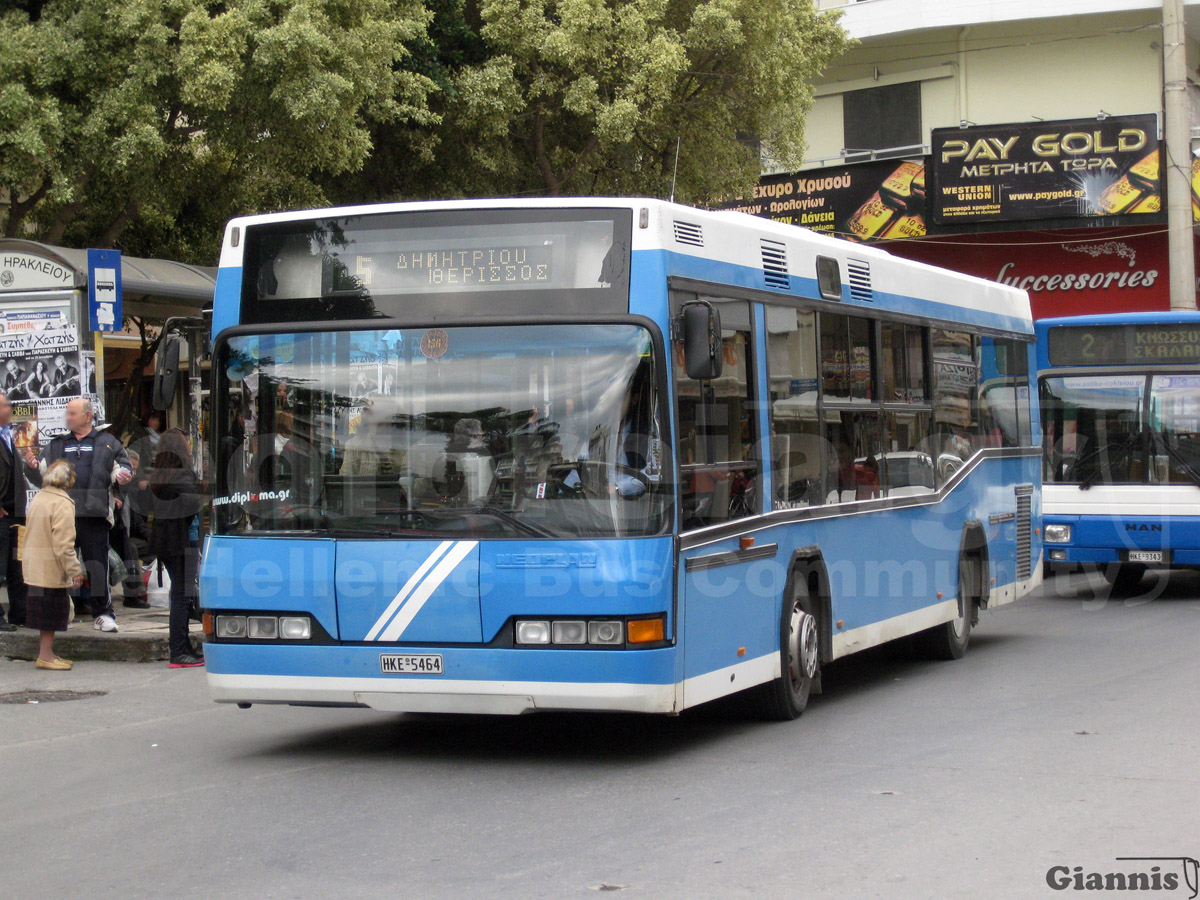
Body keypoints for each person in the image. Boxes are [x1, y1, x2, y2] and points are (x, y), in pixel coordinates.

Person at [24, 398, 132, 633]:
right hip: (62, 514)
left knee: (97, 565)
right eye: (67, 413)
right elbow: (42, 476)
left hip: (94, 515)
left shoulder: (107, 442)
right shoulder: (57, 444)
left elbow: (123, 468)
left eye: (73, 413)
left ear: (88, 416)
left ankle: (103, 614)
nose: (68, 417)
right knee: (59, 566)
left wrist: (124, 475)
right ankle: (62, 614)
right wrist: (31, 467)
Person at [148, 429, 204, 668]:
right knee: (182, 596)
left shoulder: (160, 476)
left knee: (179, 595)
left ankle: (184, 647)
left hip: (166, 541)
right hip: (183, 541)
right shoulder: (183, 476)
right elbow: (193, 504)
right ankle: (179, 651)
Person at [22, 460, 86, 669]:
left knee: (43, 614)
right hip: (51, 568)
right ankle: (46, 657)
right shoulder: (62, 503)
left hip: (35, 565)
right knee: (51, 613)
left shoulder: (39, 498)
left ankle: (46, 653)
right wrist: (75, 570)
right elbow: (64, 544)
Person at [0, 391, 32, 631]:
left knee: (16, 566)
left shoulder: (8, 436)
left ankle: (19, 613)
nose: (9, 409)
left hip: (16, 513)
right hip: (2, 512)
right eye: (4, 406)